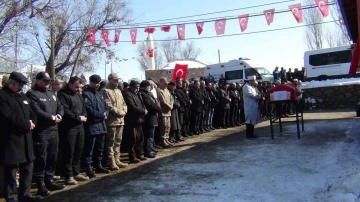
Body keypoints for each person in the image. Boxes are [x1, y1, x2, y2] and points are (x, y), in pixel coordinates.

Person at [0, 72, 41, 202]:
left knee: (28, 167)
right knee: (11, 170)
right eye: (19, 85)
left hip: (26, 138)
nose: (21, 88)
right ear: (11, 83)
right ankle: (11, 197)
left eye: (22, 86)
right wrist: (26, 124)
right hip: (11, 139)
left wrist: (33, 122)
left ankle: (25, 194)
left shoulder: (22, 96)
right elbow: (6, 116)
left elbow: (32, 112)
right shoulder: (2, 96)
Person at [26, 72, 65, 196]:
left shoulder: (52, 94)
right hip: (41, 132)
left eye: (48, 81)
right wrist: (52, 118)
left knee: (52, 157)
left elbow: (60, 106)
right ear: (37, 81)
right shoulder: (32, 94)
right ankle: (40, 184)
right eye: (44, 81)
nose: (47, 83)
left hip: (54, 130)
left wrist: (59, 115)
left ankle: (49, 180)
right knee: (41, 158)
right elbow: (36, 111)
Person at [58, 76, 89, 185]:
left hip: (80, 126)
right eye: (76, 87)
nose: (78, 89)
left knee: (78, 150)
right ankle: (68, 175)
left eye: (80, 87)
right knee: (69, 151)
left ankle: (76, 172)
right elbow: (66, 111)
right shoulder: (63, 94)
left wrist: (84, 115)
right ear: (70, 84)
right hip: (68, 127)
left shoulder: (78, 94)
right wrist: (78, 117)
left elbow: (84, 107)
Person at [82, 75, 110, 178]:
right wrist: (101, 115)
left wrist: (106, 113)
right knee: (90, 148)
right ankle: (88, 167)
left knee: (100, 147)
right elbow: (88, 109)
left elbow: (105, 106)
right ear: (91, 82)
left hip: (101, 125)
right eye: (96, 83)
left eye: (99, 83)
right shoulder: (85, 94)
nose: (98, 85)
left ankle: (98, 165)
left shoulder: (99, 94)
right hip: (92, 125)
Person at [102, 73, 129, 170]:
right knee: (111, 142)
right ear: (110, 80)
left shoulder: (118, 91)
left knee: (118, 141)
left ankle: (117, 159)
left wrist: (125, 110)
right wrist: (119, 112)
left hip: (121, 120)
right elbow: (108, 105)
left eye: (118, 80)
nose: (117, 82)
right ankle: (111, 161)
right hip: (112, 121)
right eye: (115, 80)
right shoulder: (105, 91)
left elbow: (124, 103)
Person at [122, 80, 148, 163]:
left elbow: (141, 104)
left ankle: (139, 154)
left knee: (140, 138)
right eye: (136, 87)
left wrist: (144, 110)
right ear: (132, 87)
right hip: (132, 120)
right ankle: (132, 156)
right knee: (132, 139)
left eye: (138, 87)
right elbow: (132, 106)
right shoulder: (127, 94)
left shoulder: (137, 94)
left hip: (139, 119)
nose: (138, 89)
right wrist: (142, 111)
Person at [139, 80, 162, 158]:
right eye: (149, 86)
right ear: (145, 86)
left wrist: (157, 107)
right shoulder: (143, 94)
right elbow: (151, 105)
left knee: (151, 135)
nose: (150, 87)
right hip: (149, 118)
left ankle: (150, 149)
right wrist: (159, 109)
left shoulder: (148, 94)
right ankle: (147, 151)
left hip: (152, 117)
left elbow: (155, 103)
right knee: (148, 136)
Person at [157, 77, 174, 146]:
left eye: (167, 83)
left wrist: (171, 105)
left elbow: (171, 98)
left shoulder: (167, 90)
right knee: (163, 126)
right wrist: (169, 106)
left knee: (168, 126)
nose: (166, 84)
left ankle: (167, 139)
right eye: (164, 83)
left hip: (168, 112)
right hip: (163, 112)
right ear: (160, 83)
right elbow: (162, 101)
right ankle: (163, 140)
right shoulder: (159, 90)